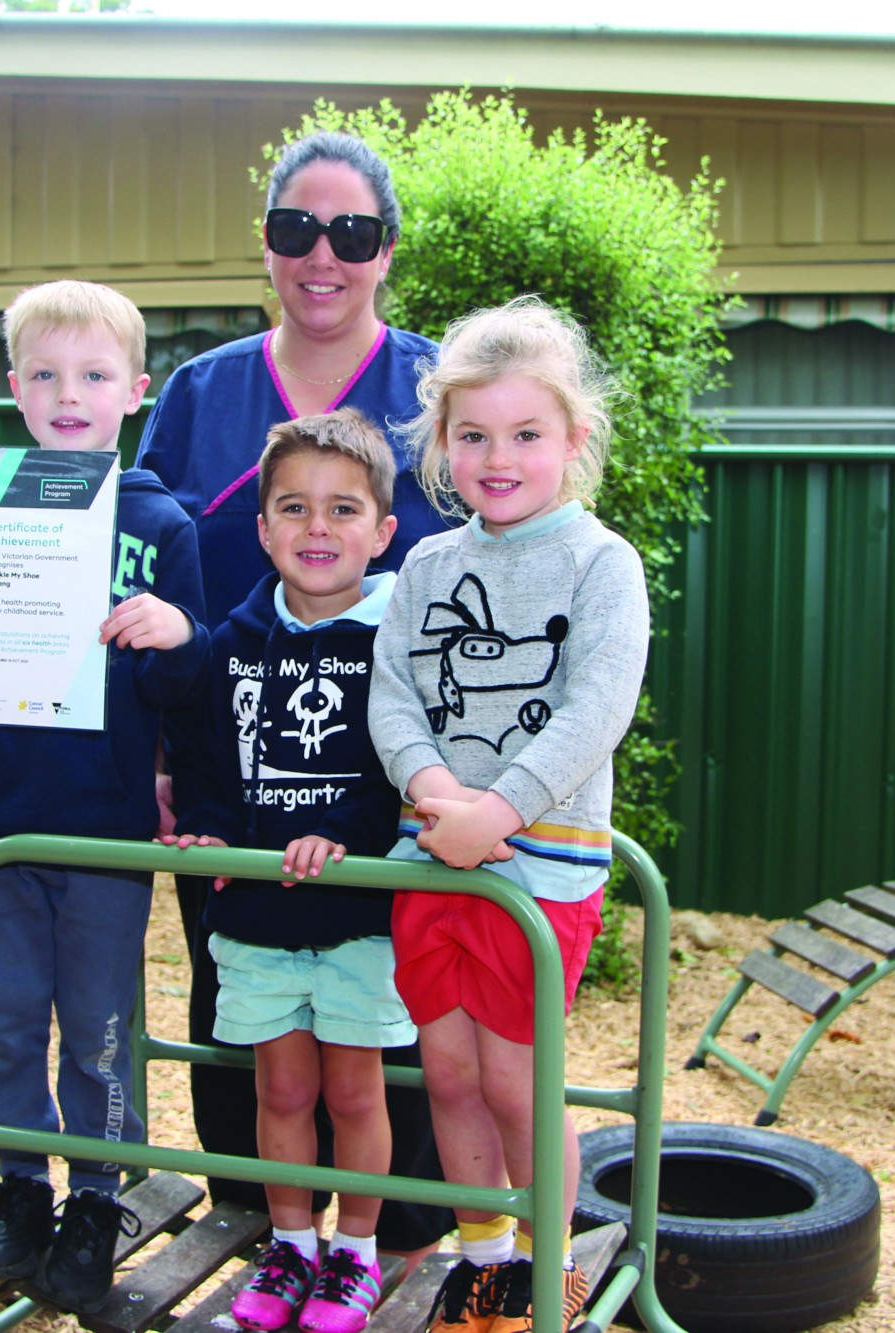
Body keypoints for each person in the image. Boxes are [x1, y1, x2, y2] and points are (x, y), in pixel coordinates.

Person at [136, 130, 455, 1263]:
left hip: (397, 784)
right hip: (228, 772)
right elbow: (136, 561)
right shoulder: (196, 393)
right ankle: (255, 1229)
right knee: (247, 997)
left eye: (352, 232)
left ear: (385, 249)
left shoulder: (437, 391)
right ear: (264, 243)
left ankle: (396, 1240)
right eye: (296, 229)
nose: (323, 255)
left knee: (394, 1005)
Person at [0, 281, 209, 1308]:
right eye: (45, 374)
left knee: (99, 1027)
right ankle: (19, 1187)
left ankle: (97, 1195)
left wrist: (177, 638)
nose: (68, 394)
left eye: (92, 374)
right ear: (13, 388)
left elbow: (190, 692)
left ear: (134, 389)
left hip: (104, 826)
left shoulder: (164, 525)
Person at [368, 296, 650, 1333]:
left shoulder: (597, 562)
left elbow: (595, 705)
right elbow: (390, 691)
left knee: (516, 1077)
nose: (499, 456)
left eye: (525, 434)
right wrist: (432, 791)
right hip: (432, 852)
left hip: (535, 867)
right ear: (441, 441)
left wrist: (500, 807)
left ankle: (547, 1267)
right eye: (473, 434)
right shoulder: (428, 567)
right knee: (444, 1070)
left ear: (571, 440)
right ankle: (481, 1262)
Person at [164, 409, 411, 1333]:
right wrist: (209, 828)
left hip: (354, 917)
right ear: (262, 528)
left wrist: (348, 840)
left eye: (344, 509)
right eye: (295, 508)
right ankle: (290, 1244)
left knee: (355, 1092)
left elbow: (403, 766)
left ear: (382, 533)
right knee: (281, 1091)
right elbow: (207, 761)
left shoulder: (398, 645)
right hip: (259, 914)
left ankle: (356, 1254)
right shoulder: (232, 647)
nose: (318, 528)